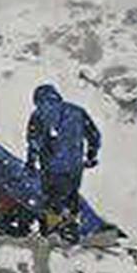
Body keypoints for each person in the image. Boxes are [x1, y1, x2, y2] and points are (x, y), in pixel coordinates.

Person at [26, 83, 101, 237]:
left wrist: (31, 163)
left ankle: (52, 232)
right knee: (72, 196)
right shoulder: (77, 111)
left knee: (51, 200)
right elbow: (94, 135)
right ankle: (71, 229)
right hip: (74, 166)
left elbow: (33, 142)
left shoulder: (38, 114)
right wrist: (91, 156)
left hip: (51, 167)